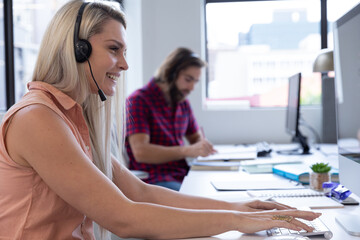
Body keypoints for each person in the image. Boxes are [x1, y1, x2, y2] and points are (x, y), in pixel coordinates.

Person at [0, 1, 321, 239]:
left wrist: (241, 208)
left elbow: (142, 194)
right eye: (114, 49)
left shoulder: (71, 119)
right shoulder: (38, 118)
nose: (124, 64)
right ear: (77, 49)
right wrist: (235, 222)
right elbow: (124, 217)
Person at [126, 47, 216, 191]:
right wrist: (187, 151)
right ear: (170, 73)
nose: (192, 87)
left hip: (181, 175)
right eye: (188, 79)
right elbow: (141, 152)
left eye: (196, 81)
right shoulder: (138, 101)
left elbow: (196, 140)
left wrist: (202, 146)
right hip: (154, 180)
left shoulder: (182, 102)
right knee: (200, 198)